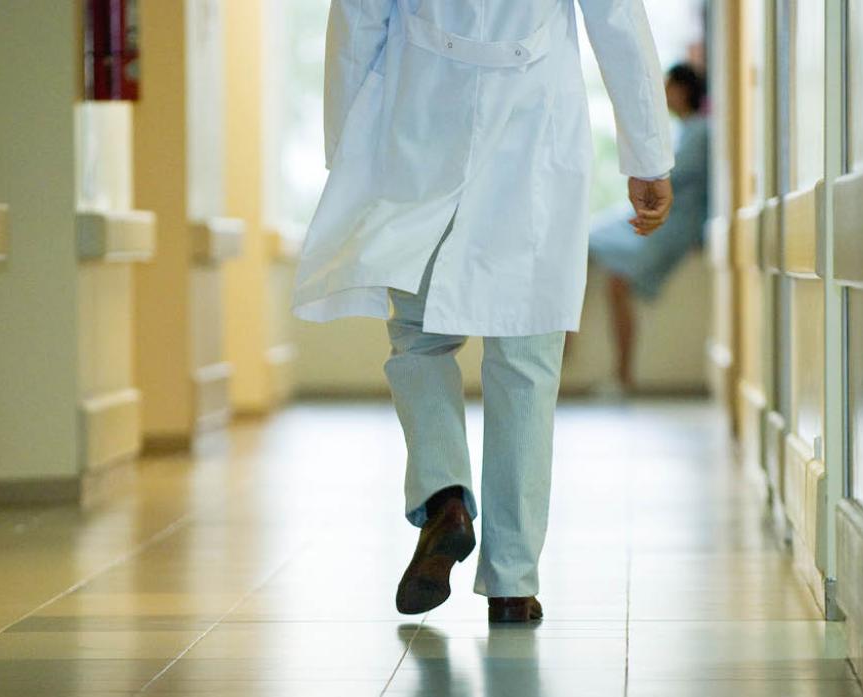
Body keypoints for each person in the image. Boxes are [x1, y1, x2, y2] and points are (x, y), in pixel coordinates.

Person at [292, 0, 674, 622]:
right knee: (525, 354)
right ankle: (513, 583)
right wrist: (648, 155)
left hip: (419, 123)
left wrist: (346, 154)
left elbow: (357, 20)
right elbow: (618, 21)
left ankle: (444, 494)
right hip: (533, 125)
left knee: (418, 339)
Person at [585, 63, 709, 391]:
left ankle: (622, 375)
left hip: (673, 228)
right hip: (663, 222)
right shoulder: (687, 131)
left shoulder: (700, 131)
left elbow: (672, 182)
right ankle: (609, 367)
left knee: (615, 280)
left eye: (668, 87)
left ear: (683, 91)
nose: (663, 95)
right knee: (589, 244)